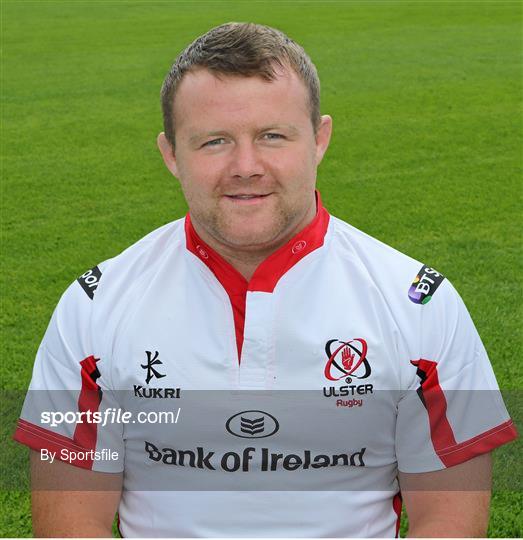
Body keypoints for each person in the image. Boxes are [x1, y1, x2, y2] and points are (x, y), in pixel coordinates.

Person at [14, 22, 517, 537]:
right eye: (214, 142)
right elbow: (70, 528)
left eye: (272, 136)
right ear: (171, 154)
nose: (246, 166)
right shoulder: (94, 307)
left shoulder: (418, 305)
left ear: (319, 140)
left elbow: (448, 524)